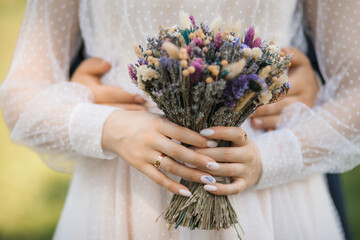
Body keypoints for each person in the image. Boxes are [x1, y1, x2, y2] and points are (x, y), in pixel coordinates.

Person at [1, 0, 359, 239]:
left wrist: (271, 159)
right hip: (121, 196)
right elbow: (21, 93)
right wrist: (106, 127)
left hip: (269, 195)